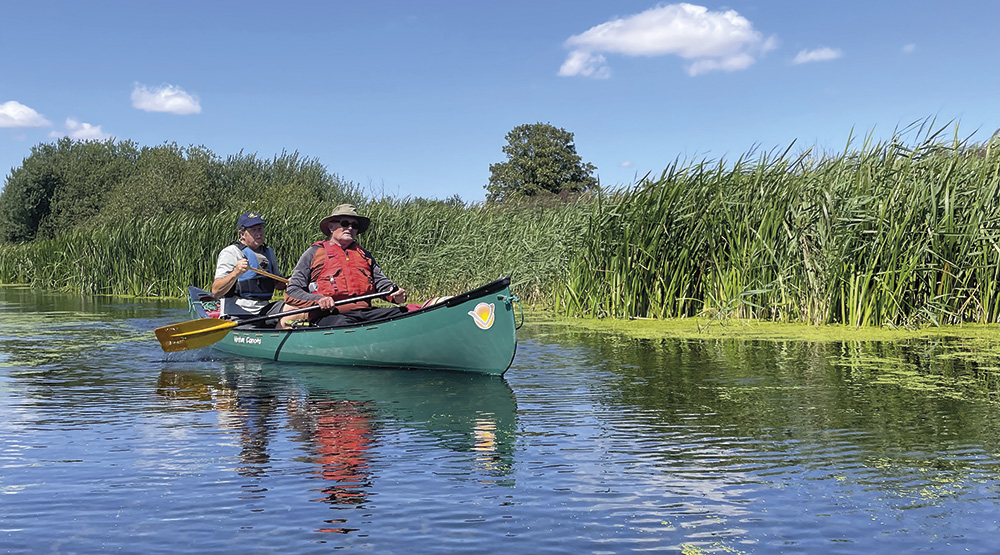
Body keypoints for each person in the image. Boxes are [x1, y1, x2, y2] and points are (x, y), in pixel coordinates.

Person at [278, 204, 407, 329]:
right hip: (331, 316)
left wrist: (394, 294)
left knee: (405, 312)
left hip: (366, 313)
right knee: (344, 324)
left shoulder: (364, 255)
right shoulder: (314, 253)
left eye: (354, 225)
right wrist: (318, 300)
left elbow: (382, 283)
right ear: (331, 227)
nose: (350, 228)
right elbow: (292, 291)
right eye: (345, 223)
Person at [212, 211, 287, 319]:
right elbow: (216, 291)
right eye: (253, 231)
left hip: (265, 310)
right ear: (242, 234)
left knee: (293, 308)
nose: (259, 234)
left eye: (260, 229)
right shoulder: (230, 253)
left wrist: (291, 282)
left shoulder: (269, 252)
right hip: (238, 314)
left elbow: (278, 285)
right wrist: (236, 272)